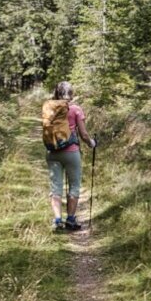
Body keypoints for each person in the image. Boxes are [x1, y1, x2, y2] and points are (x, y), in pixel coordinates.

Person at [46, 81, 96, 231]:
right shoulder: (75, 109)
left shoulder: (49, 107)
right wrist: (92, 143)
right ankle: (71, 220)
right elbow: (84, 134)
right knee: (74, 186)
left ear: (57, 93)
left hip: (52, 152)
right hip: (71, 152)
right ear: (71, 93)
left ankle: (57, 220)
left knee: (56, 187)